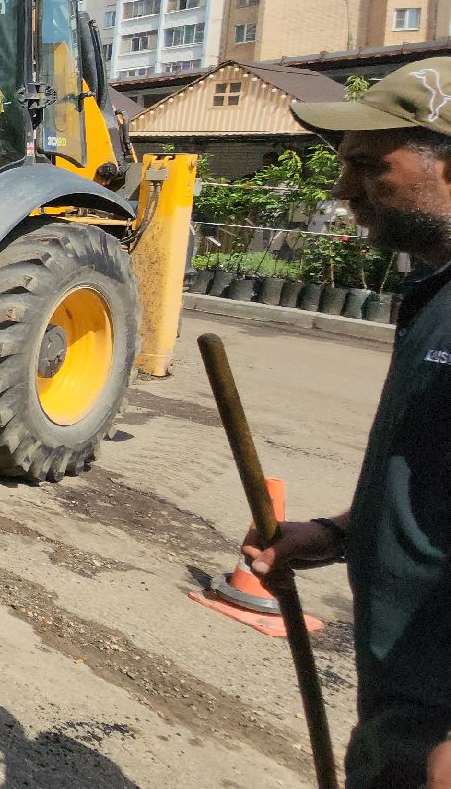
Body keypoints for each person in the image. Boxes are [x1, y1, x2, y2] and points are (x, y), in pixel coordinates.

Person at [246, 59, 451, 789]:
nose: (342, 191)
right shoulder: (434, 298)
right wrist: (339, 533)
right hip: (403, 698)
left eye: (369, 166)